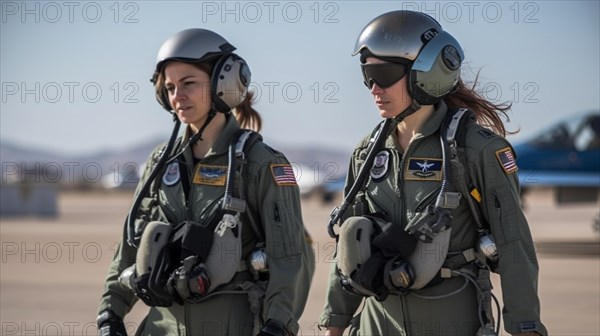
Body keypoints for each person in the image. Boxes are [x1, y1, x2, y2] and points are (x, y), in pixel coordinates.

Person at [319, 10, 547, 336]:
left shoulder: (476, 150)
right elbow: (348, 242)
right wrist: (335, 322)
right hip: (377, 322)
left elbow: (514, 244)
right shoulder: (368, 153)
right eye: (367, 75)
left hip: (451, 317)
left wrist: (525, 326)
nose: (373, 87)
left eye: (383, 74)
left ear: (426, 73)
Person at [97, 28, 314, 336]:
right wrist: (111, 311)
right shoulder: (162, 162)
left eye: (188, 84)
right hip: (163, 324)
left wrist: (278, 325)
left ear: (222, 85)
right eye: (170, 87)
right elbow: (131, 246)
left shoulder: (261, 163)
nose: (177, 97)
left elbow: (289, 256)